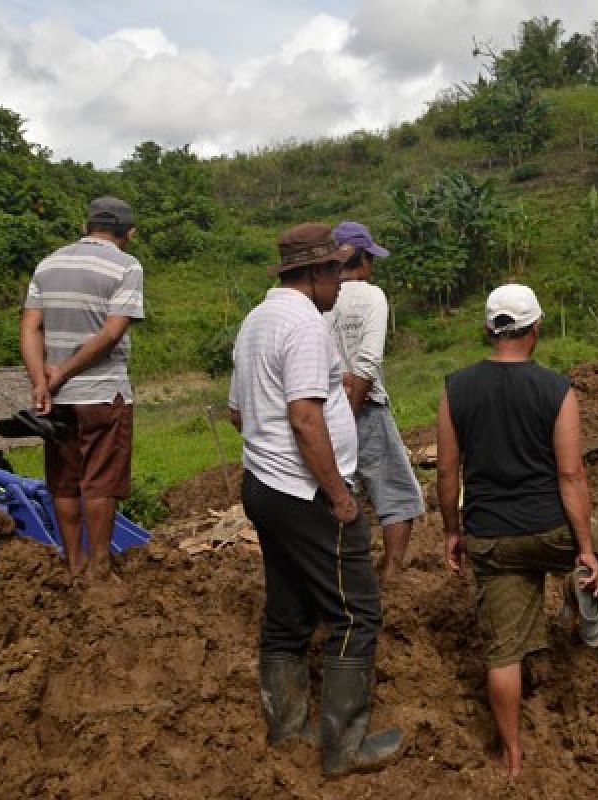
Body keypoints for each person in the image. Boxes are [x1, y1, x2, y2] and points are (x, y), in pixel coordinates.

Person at [436, 284, 598, 780]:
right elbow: (571, 476)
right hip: (551, 528)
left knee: (503, 653)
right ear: (536, 329)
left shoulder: (454, 388)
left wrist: (451, 532)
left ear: (488, 329)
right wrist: (585, 550)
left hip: (491, 537)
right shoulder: (555, 390)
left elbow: (446, 475)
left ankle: (511, 753)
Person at [228, 222, 402, 778]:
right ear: (318, 273)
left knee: (288, 608)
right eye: (337, 272)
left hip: (263, 484)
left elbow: (239, 411)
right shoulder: (304, 324)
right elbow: (306, 418)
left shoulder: (257, 320)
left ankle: (288, 729)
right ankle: (344, 748)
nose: (343, 284)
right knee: (356, 611)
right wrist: (340, 497)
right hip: (305, 491)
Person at [19, 196, 143, 582]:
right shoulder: (127, 266)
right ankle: (99, 569)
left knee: (65, 482)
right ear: (129, 234)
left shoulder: (48, 264)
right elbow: (112, 332)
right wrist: (67, 371)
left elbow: (30, 327)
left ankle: (73, 566)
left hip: (56, 399)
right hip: (103, 393)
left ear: (84, 227)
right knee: (100, 482)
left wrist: (42, 379)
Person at [325, 221, 425, 582]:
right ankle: (391, 571)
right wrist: (348, 417)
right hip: (364, 406)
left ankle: (340, 571)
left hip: (322, 408)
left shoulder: (318, 298)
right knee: (396, 489)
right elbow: (367, 363)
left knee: (335, 488)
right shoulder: (371, 296)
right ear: (363, 260)